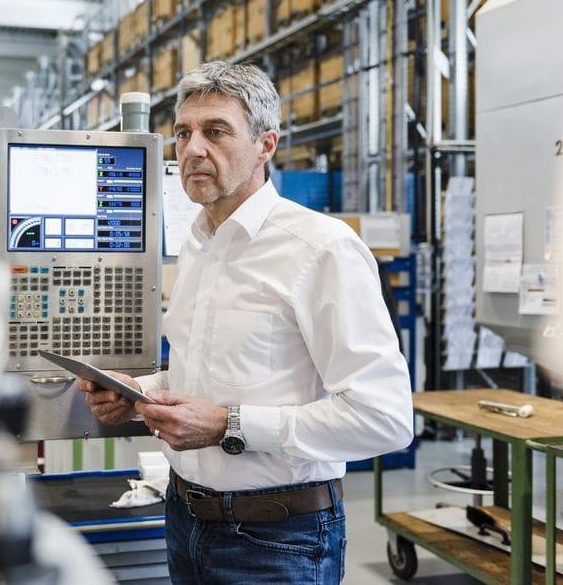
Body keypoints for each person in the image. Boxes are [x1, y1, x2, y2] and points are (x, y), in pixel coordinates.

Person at [78, 61, 413, 584]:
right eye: (183, 133)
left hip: (278, 537)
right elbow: (204, 375)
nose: (191, 149)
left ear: (265, 145)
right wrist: (138, 391)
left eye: (215, 132)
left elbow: (385, 418)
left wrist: (228, 425)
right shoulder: (198, 243)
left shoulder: (321, 250)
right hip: (184, 516)